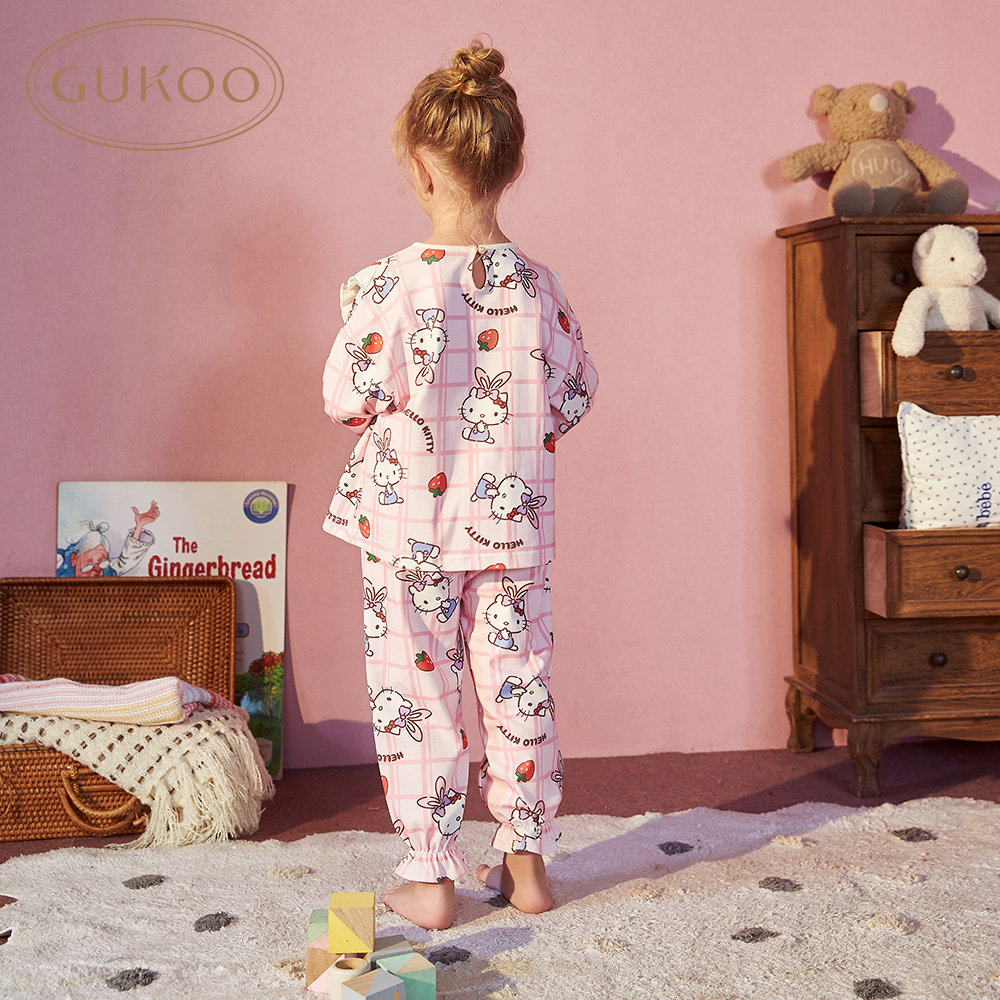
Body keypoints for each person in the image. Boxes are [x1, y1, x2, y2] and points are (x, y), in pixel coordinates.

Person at [321, 38, 597, 931]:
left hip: (408, 531)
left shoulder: (388, 286)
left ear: (418, 167)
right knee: (520, 685)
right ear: (511, 167)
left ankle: (431, 878)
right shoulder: (542, 287)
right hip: (514, 531)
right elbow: (574, 396)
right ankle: (526, 866)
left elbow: (344, 398)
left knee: (417, 697)